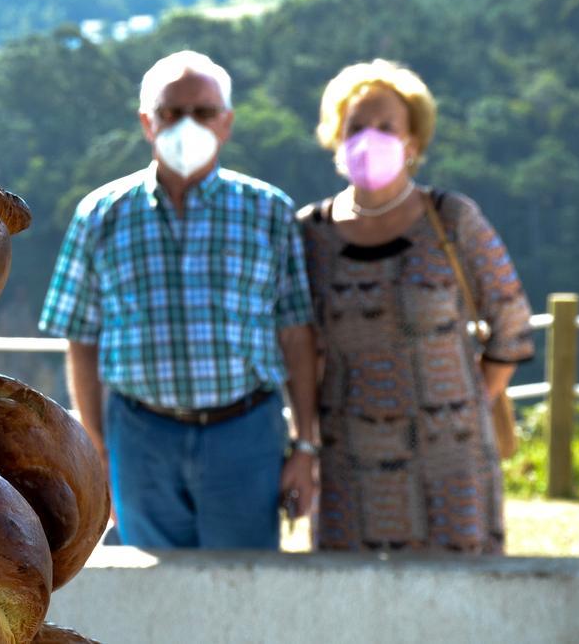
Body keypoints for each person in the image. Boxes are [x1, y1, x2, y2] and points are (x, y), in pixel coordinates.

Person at [39, 50, 320, 549]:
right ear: (147, 122)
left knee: (244, 587)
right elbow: (81, 336)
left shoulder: (269, 212)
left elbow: (296, 334)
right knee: (156, 590)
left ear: (227, 123)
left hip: (247, 435)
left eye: (204, 112)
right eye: (171, 112)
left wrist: (304, 445)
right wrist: (97, 445)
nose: (187, 124)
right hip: (140, 435)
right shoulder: (101, 214)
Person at [298, 59, 534, 554]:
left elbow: (511, 320)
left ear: (412, 142)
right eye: (357, 126)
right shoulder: (310, 233)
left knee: (456, 602)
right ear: (335, 136)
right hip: (347, 456)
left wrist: (471, 401)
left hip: (451, 459)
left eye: (387, 127)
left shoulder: (451, 219)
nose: (370, 137)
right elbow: (299, 341)